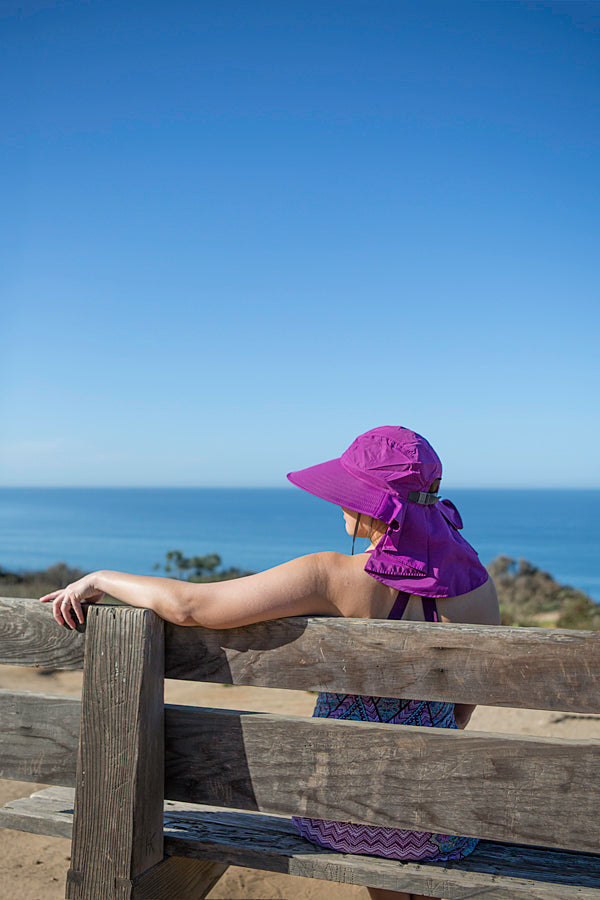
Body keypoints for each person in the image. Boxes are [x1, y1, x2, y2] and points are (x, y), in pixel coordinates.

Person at [41, 426, 500, 900]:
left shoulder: (332, 576)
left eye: (349, 493)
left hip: (343, 811)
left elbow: (191, 607)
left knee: (373, 816)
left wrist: (101, 578)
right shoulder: (479, 587)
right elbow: (462, 712)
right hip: (443, 818)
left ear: (375, 506)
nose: (340, 503)